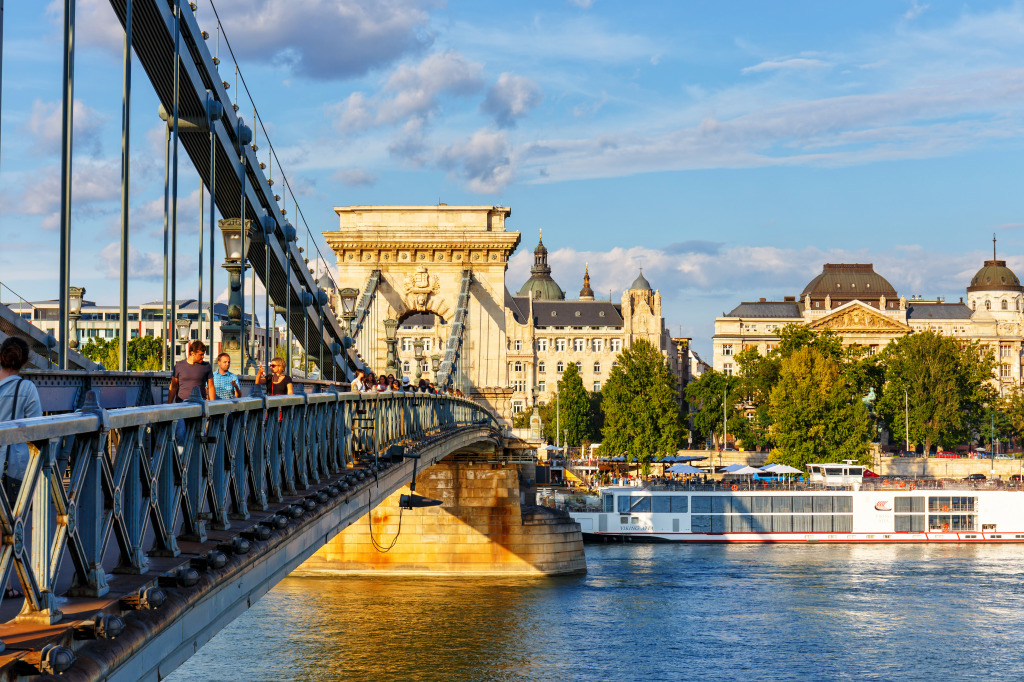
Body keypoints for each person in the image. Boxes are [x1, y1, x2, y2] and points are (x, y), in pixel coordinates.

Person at [0, 337, 42, 506]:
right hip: (11, 468)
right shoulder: (26, 388)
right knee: (9, 523)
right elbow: (37, 430)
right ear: (24, 362)